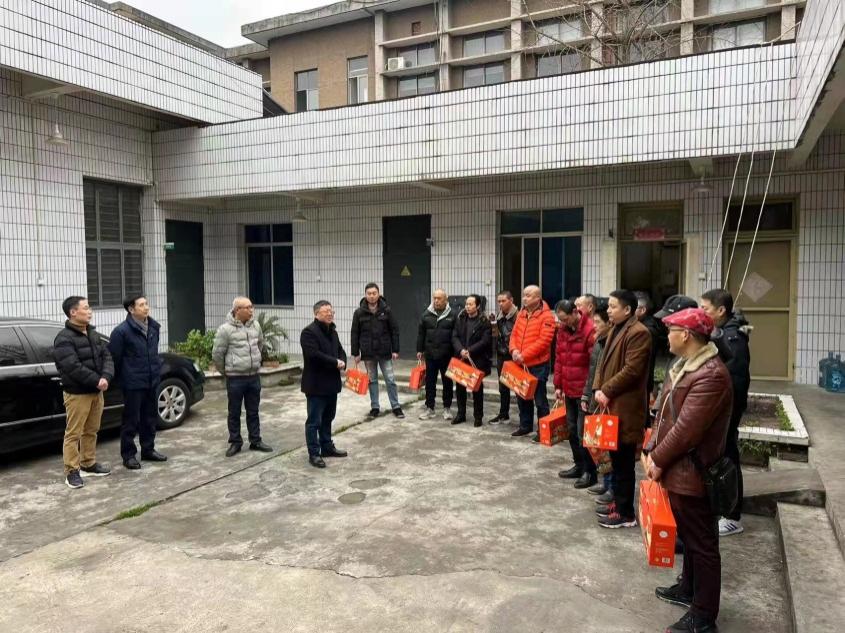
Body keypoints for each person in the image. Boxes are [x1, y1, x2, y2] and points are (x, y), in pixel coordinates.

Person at [645, 307, 732, 633]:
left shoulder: (711, 375)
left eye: (671, 330)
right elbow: (663, 416)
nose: (666, 336)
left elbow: (686, 431)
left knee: (702, 544)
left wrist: (657, 459)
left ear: (686, 335)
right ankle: (688, 589)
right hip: (678, 468)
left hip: (693, 472)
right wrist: (652, 448)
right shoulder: (685, 366)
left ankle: (703, 616)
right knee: (691, 537)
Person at [593, 289, 652, 528]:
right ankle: (618, 503)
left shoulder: (639, 333)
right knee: (616, 460)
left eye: (613, 306)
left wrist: (607, 390)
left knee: (625, 463)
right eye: (608, 306)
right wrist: (598, 387)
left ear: (627, 310)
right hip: (610, 403)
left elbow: (632, 370)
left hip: (625, 406)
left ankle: (626, 513)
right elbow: (602, 363)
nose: (608, 310)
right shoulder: (615, 328)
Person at [701, 288, 751, 537]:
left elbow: (734, 379)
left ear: (721, 310)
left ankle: (732, 516)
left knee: (728, 457)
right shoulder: (720, 332)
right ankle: (721, 508)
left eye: (705, 309)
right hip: (721, 408)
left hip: (728, 408)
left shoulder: (732, 338)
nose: (702, 313)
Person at [53, 296, 114, 489]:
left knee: (92, 430)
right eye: (86, 308)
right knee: (73, 434)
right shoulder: (63, 339)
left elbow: (107, 356)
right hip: (77, 394)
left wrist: (106, 376)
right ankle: (72, 471)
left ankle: (88, 463)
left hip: (96, 392)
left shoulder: (92, 334)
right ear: (73, 312)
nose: (90, 311)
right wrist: (97, 380)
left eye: (89, 308)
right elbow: (72, 366)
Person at [107, 294, 167, 470]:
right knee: (131, 420)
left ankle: (148, 449)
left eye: (146, 304)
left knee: (150, 418)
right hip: (132, 383)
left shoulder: (153, 327)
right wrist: (123, 379)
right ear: (131, 309)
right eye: (141, 305)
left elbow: (153, 353)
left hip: (151, 380)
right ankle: (128, 455)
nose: (146, 307)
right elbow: (115, 358)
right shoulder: (121, 332)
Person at [212, 297, 273, 457]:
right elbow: (217, 354)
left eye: (252, 306)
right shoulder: (225, 330)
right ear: (237, 310)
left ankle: (255, 440)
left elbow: (260, 344)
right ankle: (235, 442)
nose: (252, 310)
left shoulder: (256, 326)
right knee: (234, 412)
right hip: (235, 378)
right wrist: (226, 372)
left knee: (253, 411)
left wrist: (256, 362)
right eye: (248, 307)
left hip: (253, 376)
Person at [553, 299, 597, 488]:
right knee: (571, 430)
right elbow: (559, 358)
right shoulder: (563, 330)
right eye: (560, 320)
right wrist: (558, 385)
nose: (563, 323)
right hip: (568, 388)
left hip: (583, 391)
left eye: (565, 319)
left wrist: (589, 391)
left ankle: (590, 471)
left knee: (582, 433)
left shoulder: (589, 329)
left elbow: (594, 364)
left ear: (574, 312)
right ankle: (578, 465)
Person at [300, 300, 348, 468]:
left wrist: (343, 361)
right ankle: (314, 453)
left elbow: (340, 350)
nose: (329, 314)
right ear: (316, 314)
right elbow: (314, 355)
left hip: (331, 383)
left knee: (328, 417)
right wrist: (335, 362)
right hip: (316, 385)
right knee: (314, 421)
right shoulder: (309, 332)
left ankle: (327, 446)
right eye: (326, 311)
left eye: (331, 311)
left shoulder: (332, 331)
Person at [351, 283, 404, 420]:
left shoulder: (386, 310)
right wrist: (355, 353)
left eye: (374, 293)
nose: (372, 296)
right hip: (368, 352)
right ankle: (375, 407)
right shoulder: (359, 313)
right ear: (365, 295)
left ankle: (396, 406)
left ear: (379, 294)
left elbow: (394, 330)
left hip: (384, 351)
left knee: (390, 380)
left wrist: (395, 349)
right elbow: (354, 333)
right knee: (372, 380)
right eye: (369, 293)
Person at [509, 285, 556, 438]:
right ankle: (525, 425)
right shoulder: (521, 313)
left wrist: (524, 355)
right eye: (524, 295)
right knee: (522, 396)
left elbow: (544, 341)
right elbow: (514, 334)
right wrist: (514, 350)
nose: (524, 298)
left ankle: (543, 431)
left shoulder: (547, 316)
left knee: (540, 400)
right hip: (520, 363)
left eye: (528, 295)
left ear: (538, 298)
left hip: (538, 365)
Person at [581, 300, 614, 499]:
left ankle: (611, 487)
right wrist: (587, 394)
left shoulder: (611, 343)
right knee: (599, 443)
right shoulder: (599, 342)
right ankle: (606, 482)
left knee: (608, 443)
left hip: (607, 398)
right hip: (596, 396)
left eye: (598, 322)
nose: (594, 326)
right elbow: (592, 372)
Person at [451, 294, 492, 427]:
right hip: (462, 357)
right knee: (460, 387)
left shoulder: (484, 321)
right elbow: (454, 336)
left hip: (477, 359)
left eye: (470, 304)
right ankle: (461, 414)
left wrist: (470, 351)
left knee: (477, 388)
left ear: (478, 306)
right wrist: (461, 350)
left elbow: (485, 341)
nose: (467, 307)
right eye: (466, 304)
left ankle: (478, 416)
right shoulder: (461, 318)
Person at [417, 289, 457, 421]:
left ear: (446, 300)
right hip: (430, 354)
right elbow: (421, 334)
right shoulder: (426, 315)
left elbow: (456, 335)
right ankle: (430, 408)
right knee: (430, 382)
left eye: (439, 298)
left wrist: (456, 353)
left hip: (447, 355)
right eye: (434, 298)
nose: (436, 301)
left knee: (447, 382)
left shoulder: (452, 315)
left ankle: (447, 408)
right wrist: (419, 350)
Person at [488, 291, 518, 424]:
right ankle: (503, 414)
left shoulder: (518, 316)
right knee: (503, 387)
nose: (500, 304)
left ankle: (524, 420)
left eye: (503, 301)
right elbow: (496, 336)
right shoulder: (498, 317)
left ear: (511, 300)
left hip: (514, 355)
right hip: (501, 354)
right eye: (499, 301)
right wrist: (493, 325)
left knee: (518, 387)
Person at [635, 291, 666, 400]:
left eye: (633, 307)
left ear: (642, 310)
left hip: (641, 382)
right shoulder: (639, 325)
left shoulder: (647, 330)